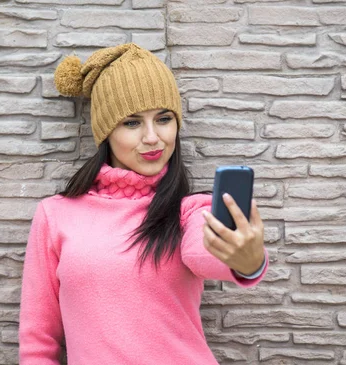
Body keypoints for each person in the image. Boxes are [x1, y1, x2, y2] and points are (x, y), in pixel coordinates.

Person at [18, 43, 269, 365]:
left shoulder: (192, 210)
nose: (152, 137)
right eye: (132, 123)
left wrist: (246, 261)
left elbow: (204, 255)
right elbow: (38, 337)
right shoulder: (56, 214)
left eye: (163, 119)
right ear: (106, 132)